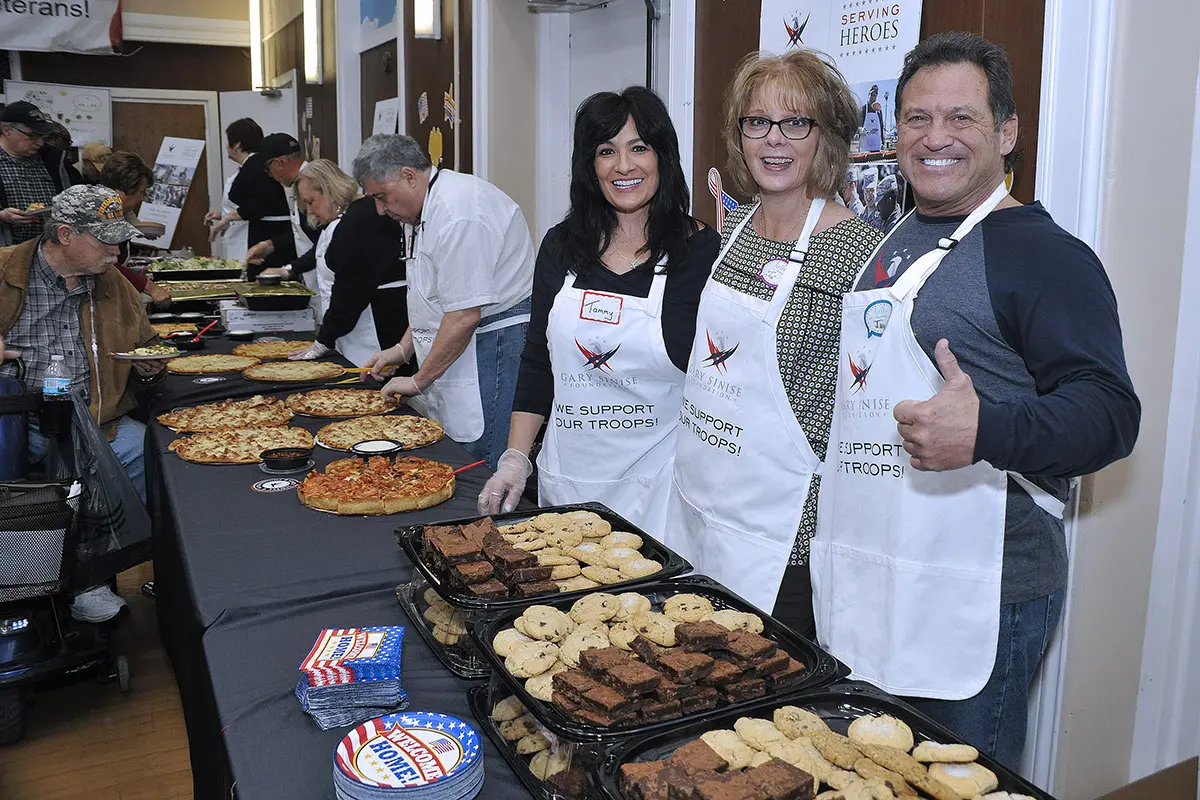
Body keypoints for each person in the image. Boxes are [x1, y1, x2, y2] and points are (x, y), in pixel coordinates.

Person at [811, 32, 1141, 768]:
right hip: (873, 569)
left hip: (979, 591)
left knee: (956, 785)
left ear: (1006, 131)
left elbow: (1112, 413)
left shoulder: (1043, 253)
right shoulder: (886, 237)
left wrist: (988, 427)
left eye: (961, 118)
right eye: (918, 119)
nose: (936, 138)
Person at [662, 50, 882, 636]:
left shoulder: (857, 252)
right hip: (701, 512)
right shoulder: (733, 231)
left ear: (826, 137)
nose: (773, 141)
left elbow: (866, 410)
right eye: (757, 122)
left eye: (795, 123)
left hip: (786, 537)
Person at [477, 87, 720, 532]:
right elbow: (537, 361)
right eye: (606, 151)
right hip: (568, 485)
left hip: (662, 492)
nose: (624, 166)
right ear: (590, 166)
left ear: (663, 155)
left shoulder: (700, 252)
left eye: (639, 148)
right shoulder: (561, 246)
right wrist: (514, 459)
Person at [0, 185, 167, 622]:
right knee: (30, 486)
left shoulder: (112, 282)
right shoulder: (5, 271)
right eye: (106, 239)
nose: (117, 251)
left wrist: (150, 365)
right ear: (66, 233)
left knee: (154, 454)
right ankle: (29, 584)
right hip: (19, 422)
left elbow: (146, 342)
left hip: (97, 418)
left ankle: (97, 574)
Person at [354, 134, 534, 470]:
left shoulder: (459, 213)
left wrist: (419, 380)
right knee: (454, 450)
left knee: (479, 463)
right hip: (464, 339)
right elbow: (433, 295)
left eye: (382, 197)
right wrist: (402, 349)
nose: (380, 210)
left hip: (492, 343)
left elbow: (465, 314)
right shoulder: (425, 207)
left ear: (409, 176)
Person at [273, 159, 409, 365]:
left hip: (377, 329)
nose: (309, 211)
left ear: (329, 190)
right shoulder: (351, 218)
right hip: (356, 328)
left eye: (310, 202)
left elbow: (351, 290)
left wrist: (324, 340)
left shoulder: (359, 222)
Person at [217, 127, 299, 275]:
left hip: (271, 236)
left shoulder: (255, 167)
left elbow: (261, 205)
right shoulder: (252, 167)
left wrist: (228, 217)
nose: (271, 176)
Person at [240, 133, 318, 283]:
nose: (270, 176)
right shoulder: (299, 184)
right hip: (312, 278)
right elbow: (306, 234)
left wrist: (287, 270)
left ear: (279, 163)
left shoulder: (312, 185)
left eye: (267, 170)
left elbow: (325, 242)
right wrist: (270, 245)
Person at [99, 151, 170, 306]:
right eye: (141, 192)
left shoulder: (113, 208)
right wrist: (149, 287)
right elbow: (106, 266)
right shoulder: (102, 215)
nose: (142, 198)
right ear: (123, 190)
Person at [0, 101, 60, 247]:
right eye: (33, 135)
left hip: (48, 249)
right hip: (7, 252)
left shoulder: (52, 160)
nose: (40, 143)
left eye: (42, 136)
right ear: (7, 130)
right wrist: (1, 215)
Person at [205, 117, 261, 261]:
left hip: (246, 239)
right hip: (236, 236)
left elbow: (256, 205)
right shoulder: (244, 168)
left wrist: (228, 217)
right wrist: (221, 214)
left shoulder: (254, 168)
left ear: (237, 145)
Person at [859, 83, 884, 152]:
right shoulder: (863, 109)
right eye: (872, 95)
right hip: (865, 146)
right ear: (868, 95)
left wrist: (883, 143)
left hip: (876, 146)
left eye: (875, 95)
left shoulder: (879, 111)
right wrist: (861, 130)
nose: (873, 97)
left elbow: (881, 127)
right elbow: (858, 126)